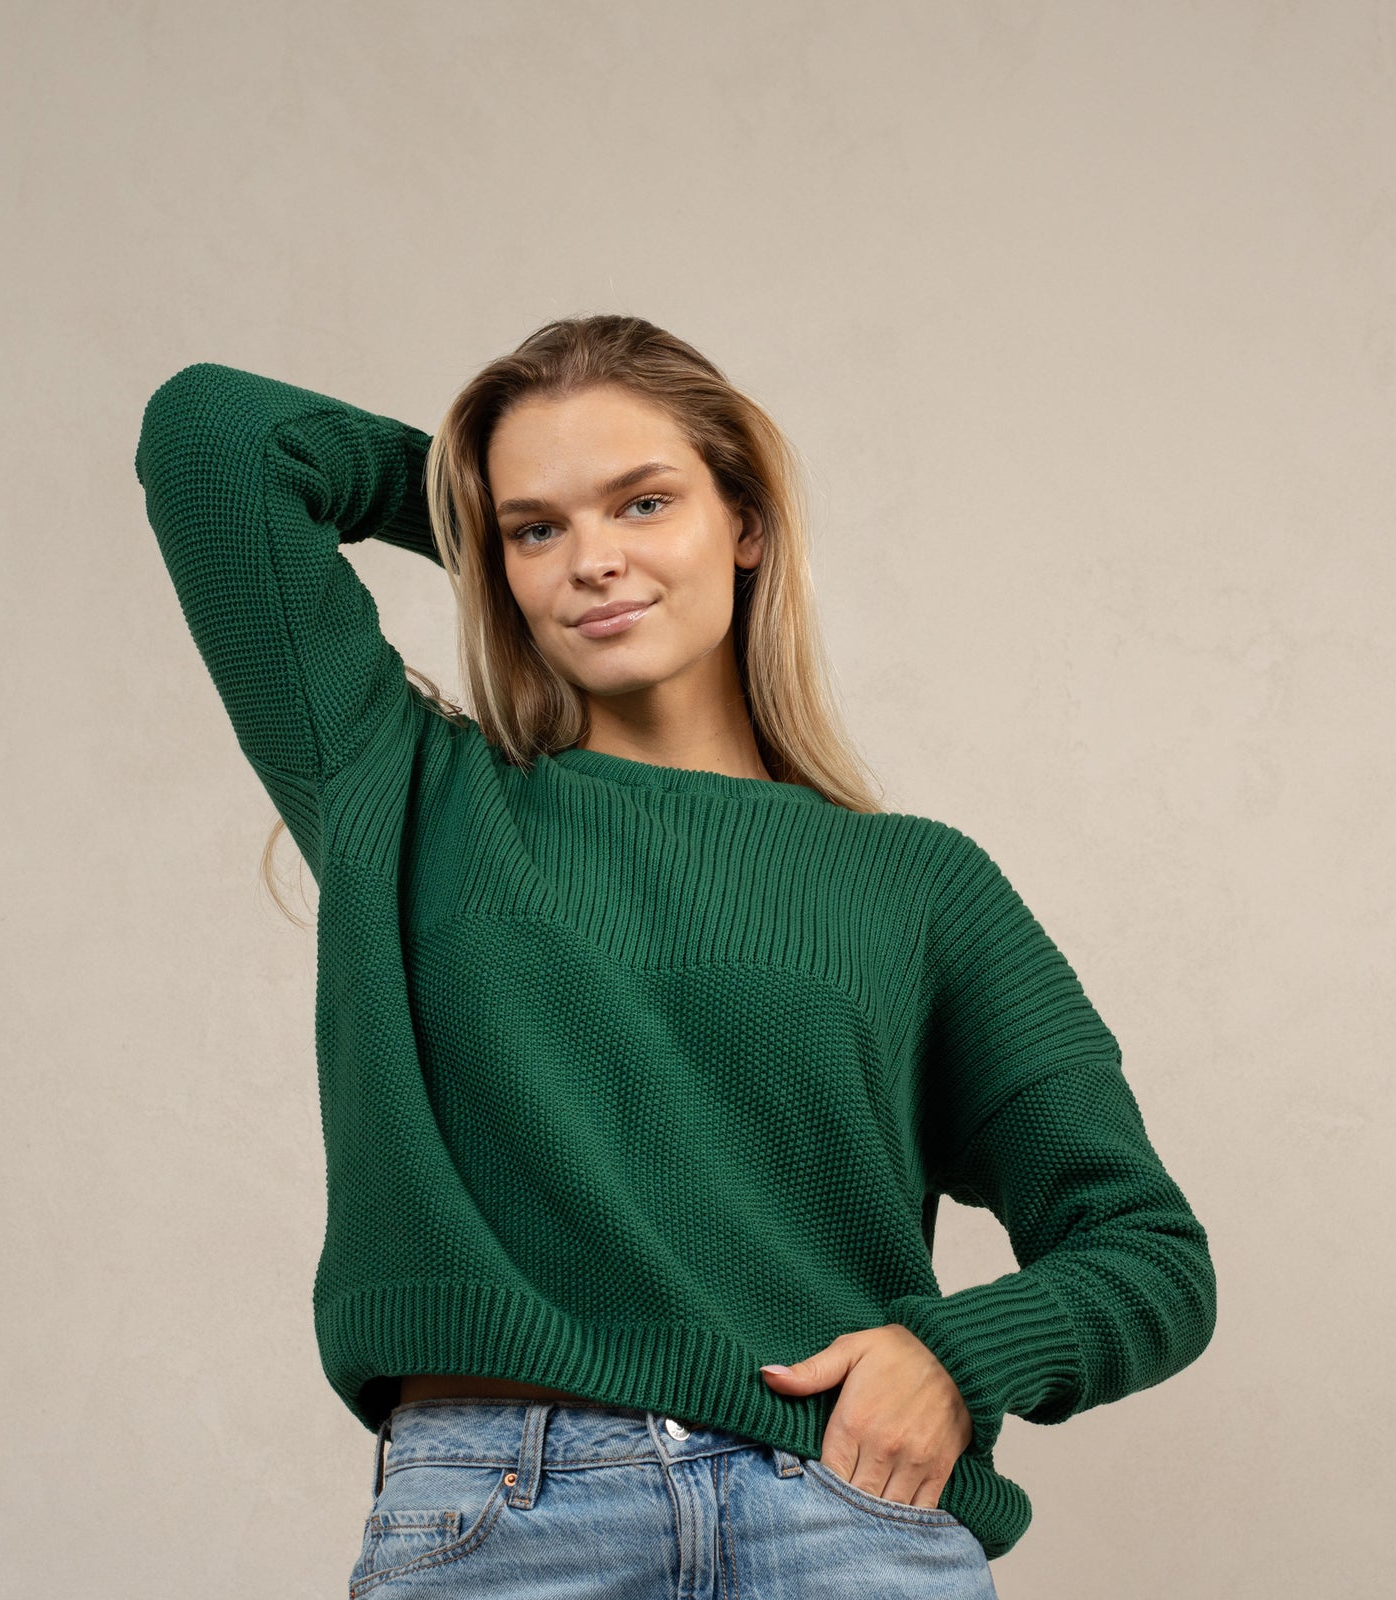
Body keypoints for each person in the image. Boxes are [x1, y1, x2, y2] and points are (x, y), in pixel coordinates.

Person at [133, 314, 1216, 1595]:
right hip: (507, 1519)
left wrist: (954, 1357)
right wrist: (476, 520)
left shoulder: (918, 884)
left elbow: (1145, 1249)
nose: (594, 559)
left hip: (841, 1518)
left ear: (745, 523)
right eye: (537, 527)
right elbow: (214, 435)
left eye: (644, 503)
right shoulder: (406, 791)